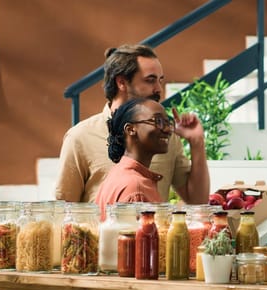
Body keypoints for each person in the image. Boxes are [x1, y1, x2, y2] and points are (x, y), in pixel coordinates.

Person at [55, 44, 210, 204]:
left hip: (154, 228)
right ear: (121, 82)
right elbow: (65, 210)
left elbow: (197, 201)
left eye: (160, 81)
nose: (158, 89)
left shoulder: (164, 136)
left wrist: (197, 142)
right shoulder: (80, 137)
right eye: (150, 80)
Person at [94, 97, 171, 220]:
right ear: (130, 129)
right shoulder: (136, 189)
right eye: (158, 121)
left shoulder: (118, 173)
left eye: (168, 123)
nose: (167, 130)